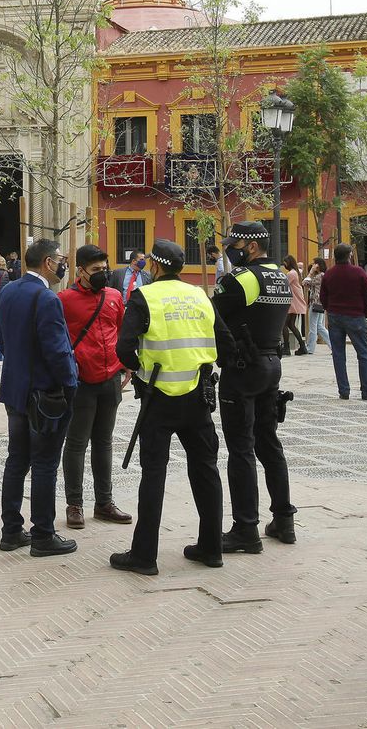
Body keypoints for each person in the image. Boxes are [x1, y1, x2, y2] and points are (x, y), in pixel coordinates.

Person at [110, 239, 227, 576]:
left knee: (154, 474)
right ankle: (211, 548)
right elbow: (224, 340)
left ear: (156, 266)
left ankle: (144, 556)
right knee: (206, 469)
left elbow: (124, 348)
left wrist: (142, 372)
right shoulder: (200, 295)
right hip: (197, 395)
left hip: (158, 398)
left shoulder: (144, 297)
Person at [214, 223, 297, 552]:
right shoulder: (279, 275)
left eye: (233, 244)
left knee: (241, 448)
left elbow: (212, 315)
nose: (229, 249)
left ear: (249, 246)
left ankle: (245, 529)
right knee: (268, 443)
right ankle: (284, 520)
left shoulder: (242, 279)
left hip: (242, 369)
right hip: (272, 366)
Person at [0, 239, 78, 558]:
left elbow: (2, 340)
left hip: (15, 388)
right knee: (44, 463)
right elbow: (57, 350)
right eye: (60, 259)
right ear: (47, 262)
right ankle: (43, 533)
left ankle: (11, 530)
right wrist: (70, 385)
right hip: (43, 394)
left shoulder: (8, 291)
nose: (63, 265)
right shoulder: (46, 298)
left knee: (16, 461)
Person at [59, 244, 130, 530]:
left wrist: (126, 365)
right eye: (96, 270)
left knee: (104, 443)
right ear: (81, 271)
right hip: (81, 382)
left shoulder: (114, 296)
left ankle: (104, 503)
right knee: (76, 444)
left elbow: (121, 331)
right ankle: (74, 504)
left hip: (111, 379)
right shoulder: (65, 299)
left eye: (105, 269)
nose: (103, 274)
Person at [320, 244, 367, 400]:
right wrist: (364, 313)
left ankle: (343, 391)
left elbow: (323, 297)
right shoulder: (359, 272)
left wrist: (330, 309)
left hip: (335, 316)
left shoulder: (329, 274)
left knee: (338, 355)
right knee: (363, 354)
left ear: (335, 256)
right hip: (355, 316)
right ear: (350, 255)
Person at [303, 258, 330, 354]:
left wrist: (310, 272)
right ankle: (333, 345)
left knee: (313, 327)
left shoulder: (319, 276)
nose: (313, 265)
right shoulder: (323, 275)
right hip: (321, 303)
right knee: (319, 326)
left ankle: (310, 348)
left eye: (314, 264)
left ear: (318, 265)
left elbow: (305, 283)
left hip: (315, 303)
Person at [282, 255, 307, 355]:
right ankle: (302, 346)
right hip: (296, 302)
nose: (284, 265)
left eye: (285, 263)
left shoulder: (291, 273)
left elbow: (284, 284)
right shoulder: (296, 273)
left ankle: (287, 348)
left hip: (292, 303)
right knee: (291, 325)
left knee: (284, 324)